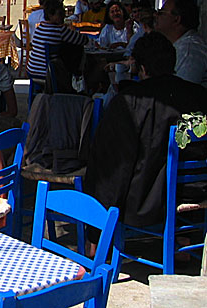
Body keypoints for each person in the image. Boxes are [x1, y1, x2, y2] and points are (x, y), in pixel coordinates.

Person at [84, 32, 207, 228]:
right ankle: (181, 238)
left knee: (107, 159)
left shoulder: (131, 101)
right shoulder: (199, 95)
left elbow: (112, 165)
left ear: (141, 68)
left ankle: (99, 235)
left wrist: (96, 226)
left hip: (148, 201)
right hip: (197, 191)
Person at [27, 0, 91, 81]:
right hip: (47, 72)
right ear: (50, 15)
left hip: (32, 70)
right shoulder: (59, 30)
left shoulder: (40, 28)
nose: (63, 16)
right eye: (60, 14)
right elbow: (83, 40)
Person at [154, 0, 207, 86]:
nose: (156, 16)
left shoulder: (189, 52)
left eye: (161, 13)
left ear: (176, 19)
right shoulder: (178, 46)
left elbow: (181, 95)